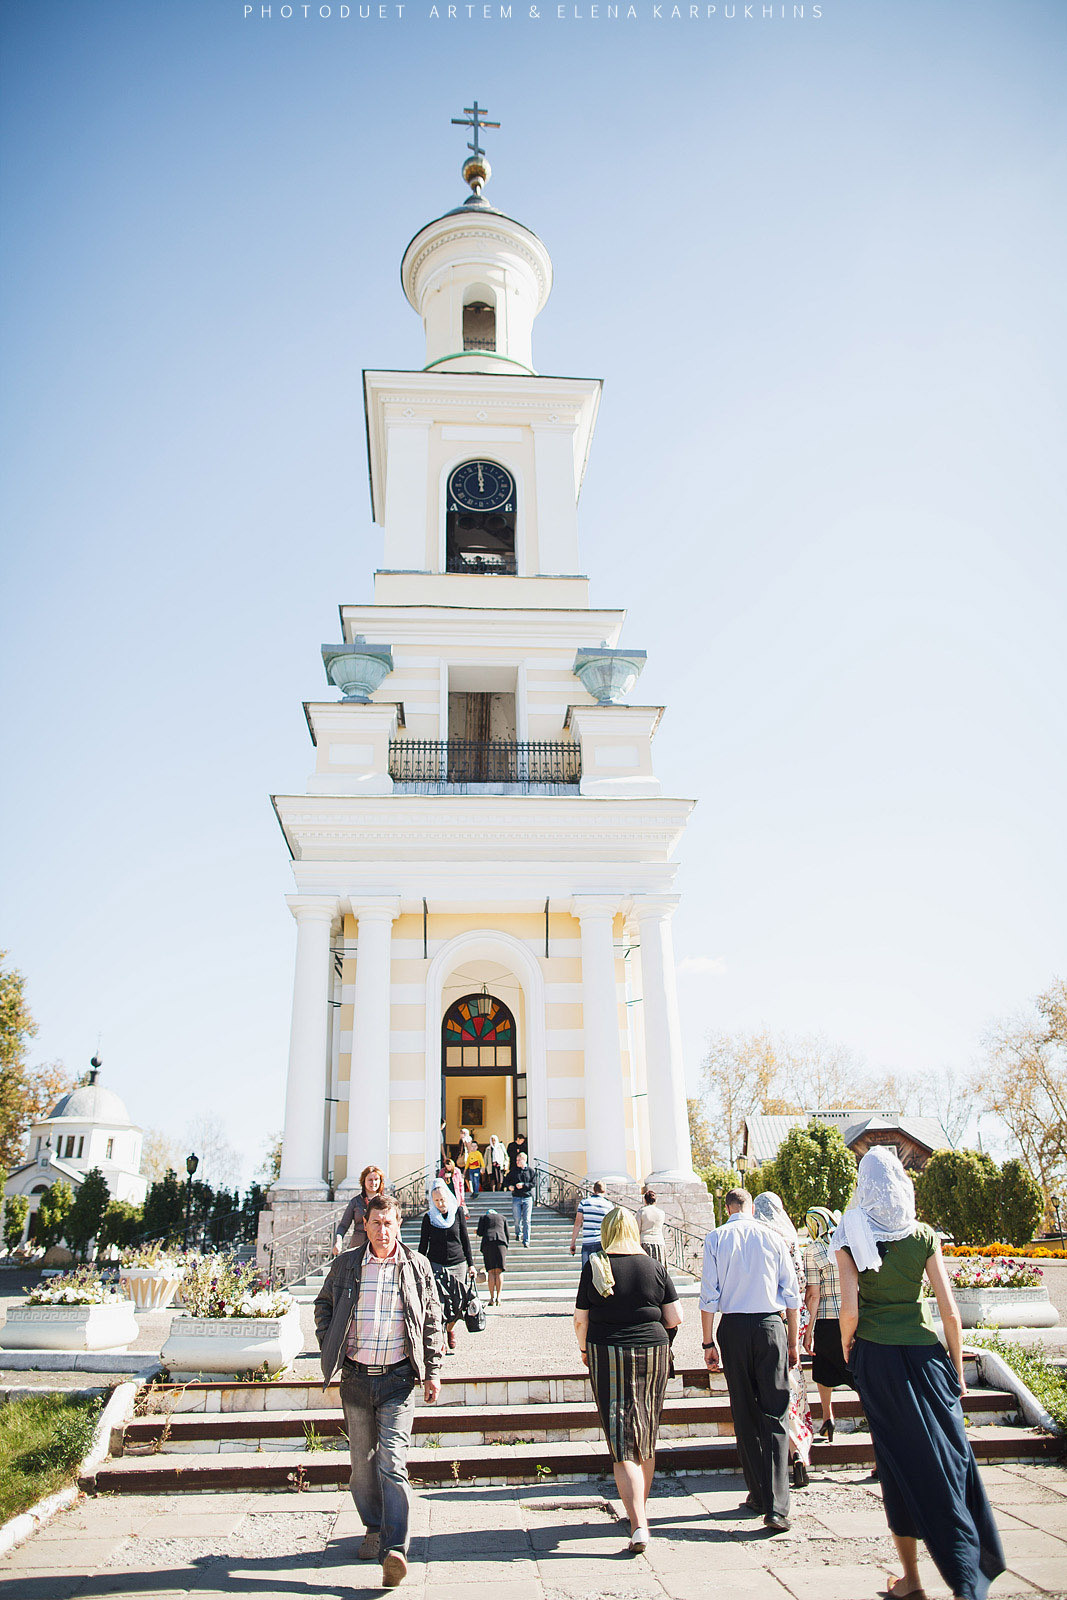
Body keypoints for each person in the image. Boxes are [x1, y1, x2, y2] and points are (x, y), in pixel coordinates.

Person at [833, 1148, 1005, 1600]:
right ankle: (971, 1563)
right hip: (927, 1357)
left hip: (879, 1360)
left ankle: (911, 1579)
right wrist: (958, 1369)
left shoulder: (850, 1233)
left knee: (896, 1462)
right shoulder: (923, 1234)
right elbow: (949, 1311)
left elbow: (848, 1309)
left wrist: (850, 1349)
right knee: (951, 1459)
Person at [314, 1192, 443, 1590]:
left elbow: (433, 1318)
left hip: (398, 1380)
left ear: (398, 1225)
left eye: (389, 1224)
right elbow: (323, 1307)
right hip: (355, 1377)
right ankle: (373, 1526)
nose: (383, 1231)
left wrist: (433, 1371)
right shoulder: (346, 1264)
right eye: (376, 1223)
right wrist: (331, 1342)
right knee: (361, 1466)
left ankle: (395, 1549)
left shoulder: (416, 1266)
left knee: (393, 1460)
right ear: (364, 1225)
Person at [574, 1205, 683, 1554]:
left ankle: (638, 1524)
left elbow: (580, 1321)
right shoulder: (654, 1265)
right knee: (646, 1432)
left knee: (622, 1440)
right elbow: (676, 1316)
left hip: (608, 1352)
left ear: (606, 1233)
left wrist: (584, 1352)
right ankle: (641, 1511)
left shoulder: (596, 1265)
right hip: (653, 1351)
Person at [700, 1186, 801, 1533]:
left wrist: (707, 1342)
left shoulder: (716, 1238)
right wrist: (793, 1341)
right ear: (751, 1208)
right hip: (771, 1324)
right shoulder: (772, 1237)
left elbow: (708, 1295)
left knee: (743, 1410)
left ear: (725, 1207)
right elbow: (792, 1292)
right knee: (775, 1412)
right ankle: (778, 1506)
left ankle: (758, 1493)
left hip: (734, 1328)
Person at [754, 1191, 814, 1489]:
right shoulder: (790, 1240)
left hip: (768, 1317)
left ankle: (776, 1451)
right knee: (792, 1381)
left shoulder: (758, 1238)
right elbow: (801, 1282)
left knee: (768, 1386)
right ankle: (799, 1450)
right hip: (794, 1318)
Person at [802, 1206, 850, 1439]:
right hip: (853, 1316)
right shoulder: (848, 1242)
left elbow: (813, 1293)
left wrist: (807, 1331)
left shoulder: (814, 1250)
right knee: (856, 1372)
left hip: (826, 1320)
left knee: (823, 1369)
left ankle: (827, 1416)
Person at [418, 1177, 474, 1353]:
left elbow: (465, 1239)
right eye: (436, 1200)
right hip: (436, 1265)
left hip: (458, 1264)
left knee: (458, 1304)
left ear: (448, 1197)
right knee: (438, 1304)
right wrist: (419, 1266)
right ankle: (440, 1338)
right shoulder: (429, 1218)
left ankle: (450, 1329)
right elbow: (423, 1245)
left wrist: (471, 1264)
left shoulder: (457, 1212)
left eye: (442, 1199)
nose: (440, 1203)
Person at [333, 1165, 386, 1257]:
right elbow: (343, 1226)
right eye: (370, 1179)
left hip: (379, 1246)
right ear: (364, 1181)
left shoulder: (386, 1202)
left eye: (376, 1179)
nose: (373, 1182)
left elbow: (395, 1228)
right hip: (358, 1246)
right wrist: (338, 1242)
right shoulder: (355, 1202)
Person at [570, 1180, 614, 1268]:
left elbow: (577, 1223)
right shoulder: (609, 1205)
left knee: (586, 1274)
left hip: (587, 1242)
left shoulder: (584, 1203)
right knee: (601, 1273)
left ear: (594, 1190)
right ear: (604, 1191)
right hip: (601, 1242)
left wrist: (573, 1243)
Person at [476, 1205, 509, 1305]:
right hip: (500, 1243)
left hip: (488, 1243)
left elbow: (480, 1232)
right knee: (499, 1272)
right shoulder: (503, 1218)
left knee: (490, 1272)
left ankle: (491, 1298)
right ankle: (498, 1298)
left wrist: (476, 1232)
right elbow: (507, 1233)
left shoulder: (483, 1218)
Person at [504, 1149, 537, 1246]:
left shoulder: (530, 1171)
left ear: (524, 1160)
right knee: (517, 1218)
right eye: (516, 1160)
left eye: (519, 1160)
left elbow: (533, 1183)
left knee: (527, 1220)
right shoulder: (514, 1171)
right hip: (516, 1197)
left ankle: (526, 1240)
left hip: (527, 1198)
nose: (517, 1162)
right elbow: (506, 1180)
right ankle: (518, 1232)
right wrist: (509, 1186)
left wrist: (523, 1185)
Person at [637, 1188, 667, 1265]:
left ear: (645, 1200)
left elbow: (637, 1228)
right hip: (659, 1242)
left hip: (645, 1242)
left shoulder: (642, 1211)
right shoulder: (661, 1213)